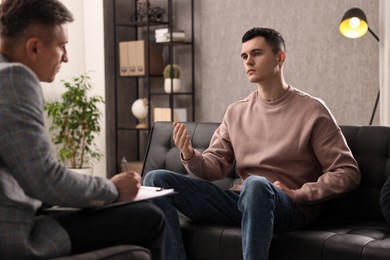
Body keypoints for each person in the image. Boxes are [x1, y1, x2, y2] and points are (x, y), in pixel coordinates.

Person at [143, 27, 361, 260]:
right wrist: (189, 155)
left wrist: (299, 194)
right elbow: (214, 166)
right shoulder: (236, 111)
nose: (249, 61)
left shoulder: (313, 110)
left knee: (256, 184)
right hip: (240, 201)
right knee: (155, 180)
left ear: (280, 57)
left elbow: (347, 172)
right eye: (245, 56)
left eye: (256, 53)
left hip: (288, 206)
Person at [0, 0, 165, 259]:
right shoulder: (13, 79)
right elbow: (44, 180)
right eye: (62, 45)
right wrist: (112, 189)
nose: (66, 57)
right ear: (34, 47)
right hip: (16, 238)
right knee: (150, 217)